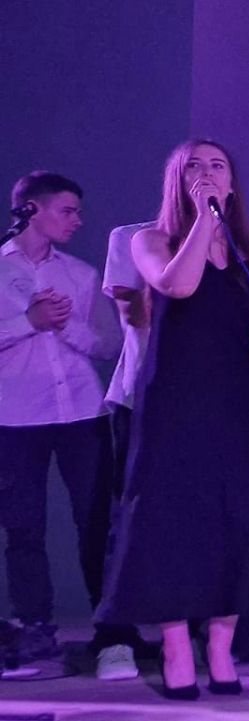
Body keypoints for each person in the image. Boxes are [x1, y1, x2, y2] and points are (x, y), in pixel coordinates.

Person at [92, 142, 249, 699]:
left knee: (234, 518)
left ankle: (220, 645)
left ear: (233, 182)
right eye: (195, 166)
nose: (207, 173)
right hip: (174, 400)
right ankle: (176, 646)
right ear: (177, 181)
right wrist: (204, 219)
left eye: (217, 166)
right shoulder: (149, 240)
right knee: (169, 520)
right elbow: (179, 285)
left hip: (235, 399)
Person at [0, 172, 127, 678]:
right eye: (68, 211)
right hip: (15, 417)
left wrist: (66, 326)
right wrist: (27, 323)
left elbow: (109, 344)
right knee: (23, 528)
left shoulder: (80, 273)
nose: (77, 221)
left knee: (97, 522)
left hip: (81, 411)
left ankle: (111, 629)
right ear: (32, 209)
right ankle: (36, 630)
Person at [94, 218, 158, 676]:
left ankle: (197, 634)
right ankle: (114, 638)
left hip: (206, 405)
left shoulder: (232, 242)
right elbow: (135, 316)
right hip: (141, 399)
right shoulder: (133, 237)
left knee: (197, 519)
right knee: (127, 519)